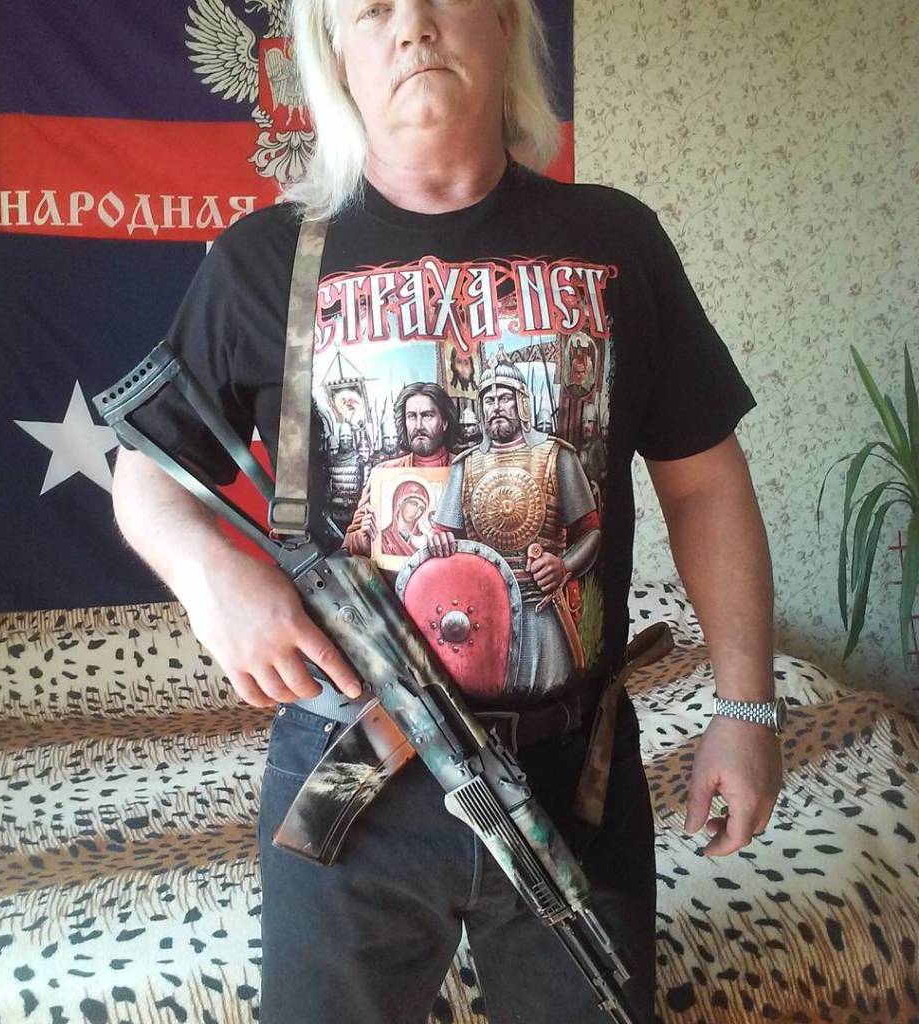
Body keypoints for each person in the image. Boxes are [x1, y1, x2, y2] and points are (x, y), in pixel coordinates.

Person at [111, 2, 783, 1022]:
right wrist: (213, 580)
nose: (412, 27)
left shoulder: (615, 239)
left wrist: (743, 709)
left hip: (573, 779)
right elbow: (146, 471)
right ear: (335, 54)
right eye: (372, 8)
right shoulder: (263, 261)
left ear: (507, 20)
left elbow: (703, 481)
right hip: (351, 774)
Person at [429, 363, 601, 692]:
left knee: (549, 691)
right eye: (489, 401)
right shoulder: (465, 466)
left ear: (522, 402)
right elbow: (444, 533)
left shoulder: (556, 456)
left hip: (540, 602)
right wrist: (440, 543)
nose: (496, 407)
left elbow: (591, 531)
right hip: (481, 607)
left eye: (505, 398)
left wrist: (563, 566)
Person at [342, 380, 458, 556]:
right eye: (412, 416)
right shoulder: (384, 473)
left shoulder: (462, 470)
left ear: (444, 423)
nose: (419, 426)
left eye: (427, 415)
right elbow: (349, 544)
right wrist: (364, 538)